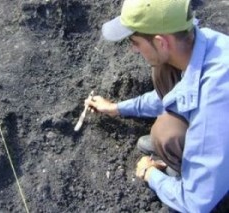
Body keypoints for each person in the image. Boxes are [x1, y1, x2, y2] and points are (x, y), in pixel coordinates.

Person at [85, 0, 229, 212]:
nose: (133, 50)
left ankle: (190, 173)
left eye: (134, 41)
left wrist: (150, 174)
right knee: (163, 71)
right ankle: (185, 152)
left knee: (165, 133)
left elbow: (198, 203)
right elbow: (180, 92)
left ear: (161, 42)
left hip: (215, 148)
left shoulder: (215, 100)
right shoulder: (200, 41)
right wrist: (117, 108)